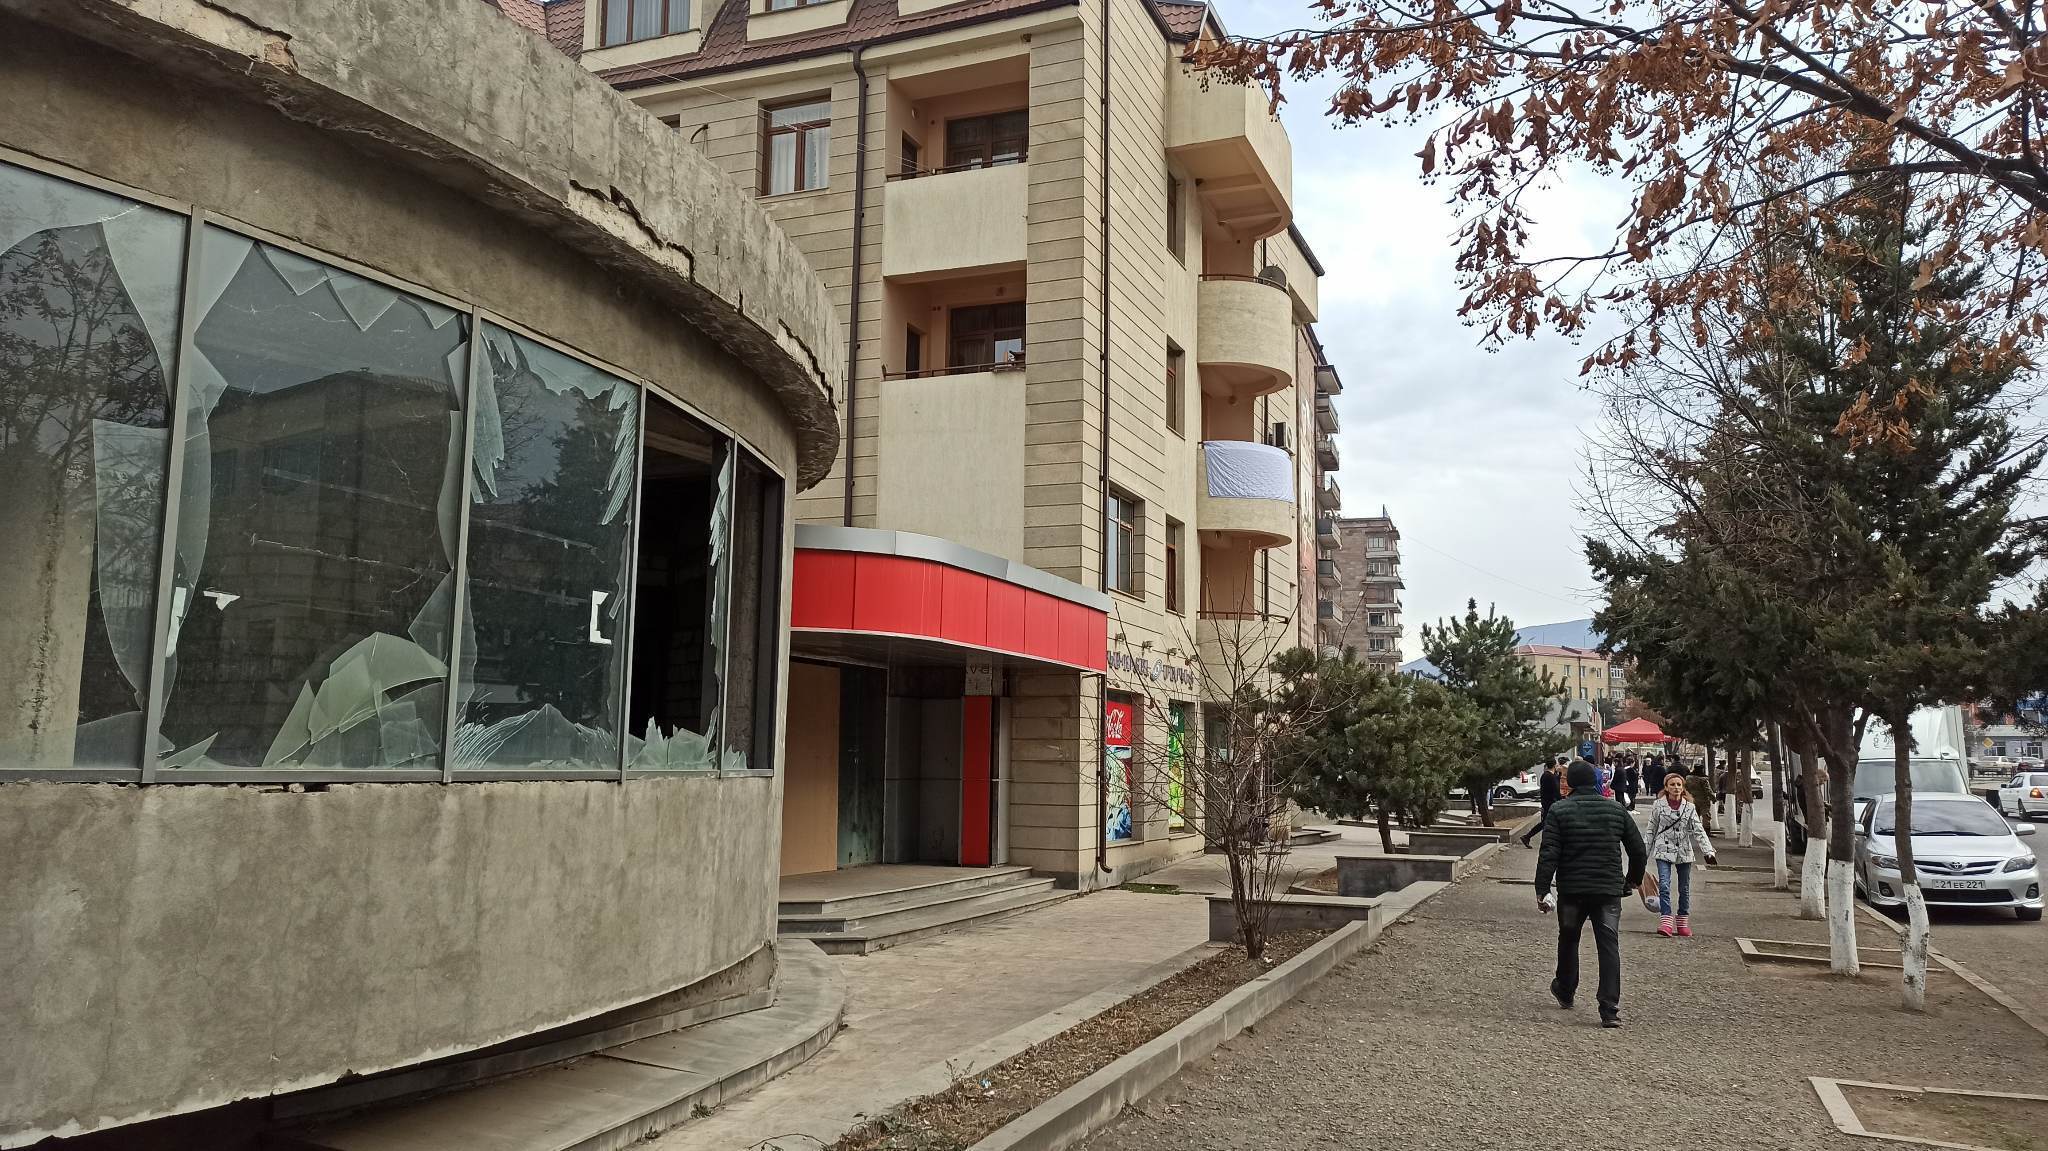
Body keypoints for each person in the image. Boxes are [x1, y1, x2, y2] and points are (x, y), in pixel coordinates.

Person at [1536, 761, 1648, 1028]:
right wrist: (1632, 880)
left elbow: (1549, 853)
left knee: (1569, 938)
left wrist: (1542, 890)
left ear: (1572, 783)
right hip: (1608, 890)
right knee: (1608, 944)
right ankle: (1609, 1008)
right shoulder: (1616, 810)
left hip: (1572, 889)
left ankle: (1565, 989)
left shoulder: (1559, 810)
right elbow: (1638, 850)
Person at [1647, 772, 1717, 936]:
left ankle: (1682, 921)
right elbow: (1651, 829)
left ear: (1683, 787)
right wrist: (1643, 854)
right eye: (1672, 784)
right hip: (1663, 849)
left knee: (1684, 888)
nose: (1676, 787)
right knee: (1664, 885)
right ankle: (1666, 921)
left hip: (1683, 851)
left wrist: (1708, 851)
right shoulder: (1658, 805)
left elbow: (1699, 831)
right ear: (1666, 787)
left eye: (1679, 784)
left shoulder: (1689, 807)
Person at [1520, 757, 1565, 847]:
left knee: (1545, 822)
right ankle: (1528, 837)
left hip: (1546, 801)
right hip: (1550, 803)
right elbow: (1556, 790)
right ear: (1554, 765)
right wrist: (1561, 800)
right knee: (1547, 822)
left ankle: (1527, 837)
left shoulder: (1546, 775)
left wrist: (1559, 774)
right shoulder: (1550, 776)